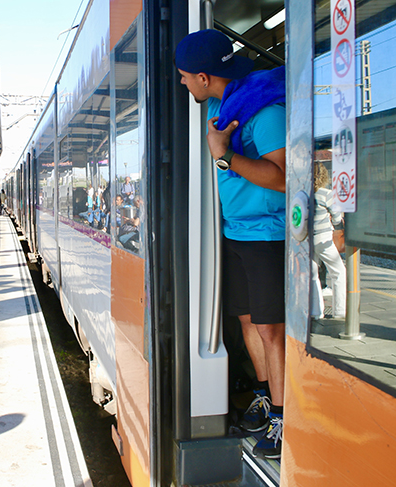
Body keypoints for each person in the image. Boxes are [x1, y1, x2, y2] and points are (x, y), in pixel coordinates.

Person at [176, 29, 286, 459]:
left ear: (204, 77)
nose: (183, 84)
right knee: (246, 322)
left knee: (271, 330)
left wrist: (223, 156)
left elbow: (281, 177)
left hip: (267, 235)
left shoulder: (264, 110)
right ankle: (264, 394)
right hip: (237, 232)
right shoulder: (225, 104)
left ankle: (282, 416)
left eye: (185, 77)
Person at [311, 162, 346, 319]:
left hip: (305, 238)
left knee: (312, 275)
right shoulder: (326, 194)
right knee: (338, 272)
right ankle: (340, 311)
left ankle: (316, 312)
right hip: (323, 238)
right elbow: (337, 217)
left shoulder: (303, 193)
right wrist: (340, 225)